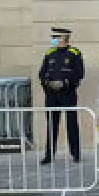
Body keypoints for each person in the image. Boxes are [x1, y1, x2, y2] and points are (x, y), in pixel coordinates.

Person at [38, 26, 84, 164]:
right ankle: (49, 155)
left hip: (68, 93)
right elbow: (42, 73)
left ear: (63, 38)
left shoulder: (74, 53)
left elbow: (79, 73)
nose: (52, 40)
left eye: (55, 37)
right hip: (51, 94)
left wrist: (65, 83)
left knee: (71, 124)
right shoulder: (49, 53)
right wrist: (47, 83)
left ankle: (75, 153)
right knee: (51, 124)